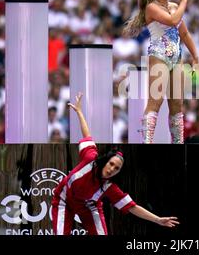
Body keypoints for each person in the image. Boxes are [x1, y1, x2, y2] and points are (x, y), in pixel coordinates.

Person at [51, 93, 179, 235]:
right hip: (64, 200)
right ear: (106, 161)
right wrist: (80, 112)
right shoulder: (90, 157)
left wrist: (157, 220)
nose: (112, 169)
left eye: (116, 168)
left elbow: (133, 207)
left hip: (89, 207)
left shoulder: (109, 187)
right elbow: (87, 135)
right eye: (111, 164)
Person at [123, 0, 199, 144]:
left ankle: (178, 144)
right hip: (159, 55)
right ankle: (147, 143)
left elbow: (184, 33)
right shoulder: (152, 7)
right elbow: (173, 21)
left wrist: (195, 55)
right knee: (155, 102)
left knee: (177, 105)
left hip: (177, 56)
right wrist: (185, 0)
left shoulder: (174, 6)